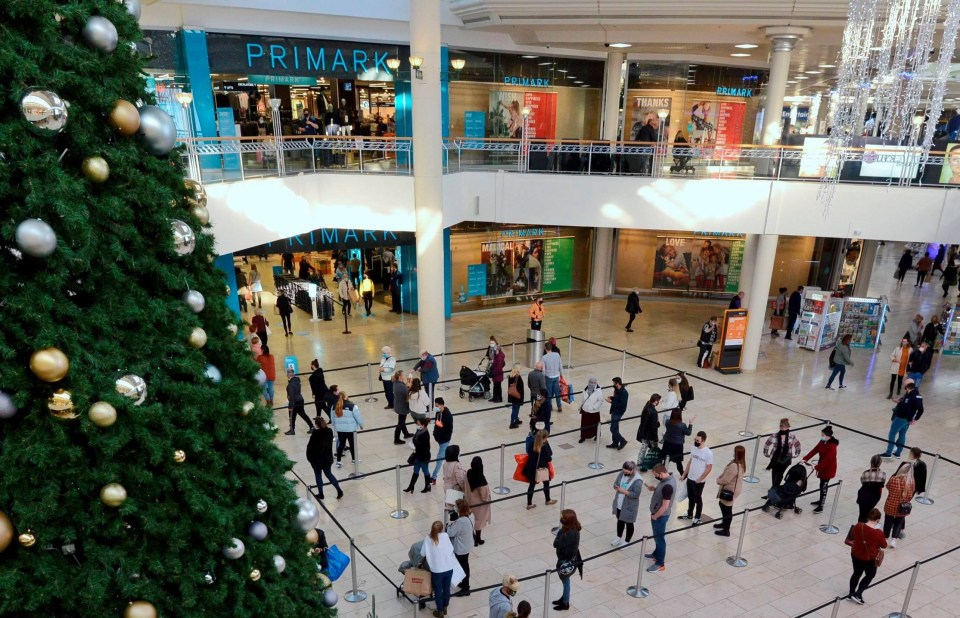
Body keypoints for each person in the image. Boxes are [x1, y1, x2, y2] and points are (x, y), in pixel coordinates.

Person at [422, 520, 464, 618]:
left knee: (438, 590)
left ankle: (440, 610)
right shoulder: (445, 536)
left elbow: (422, 553)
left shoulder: (428, 538)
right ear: (441, 529)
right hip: (449, 568)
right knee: (446, 588)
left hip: (437, 570)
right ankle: (445, 606)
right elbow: (451, 549)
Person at [848, 508, 888, 605]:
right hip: (869, 558)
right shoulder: (878, 533)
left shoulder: (858, 526)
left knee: (856, 573)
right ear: (878, 519)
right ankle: (858, 594)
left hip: (855, 554)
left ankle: (851, 593)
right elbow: (884, 545)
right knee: (870, 575)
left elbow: (853, 535)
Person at [645, 464, 676, 573]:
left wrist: (655, 516)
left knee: (659, 539)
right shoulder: (666, 480)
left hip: (660, 516)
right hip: (658, 514)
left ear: (661, 474)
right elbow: (663, 493)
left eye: (656, 475)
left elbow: (665, 506)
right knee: (657, 536)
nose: (655, 477)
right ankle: (656, 554)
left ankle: (660, 563)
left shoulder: (668, 486)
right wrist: (655, 489)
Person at [802, 425, 839, 513]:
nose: (821, 437)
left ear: (827, 436)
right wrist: (805, 458)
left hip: (828, 469)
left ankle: (821, 505)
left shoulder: (832, 447)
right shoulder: (822, 442)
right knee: (821, 485)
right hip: (822, 466)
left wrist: (816, 467)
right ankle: (820, 501)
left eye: (822, 435)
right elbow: (815, 450)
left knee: (824, 486)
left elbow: (827, 460)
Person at [881, 381, 924, 459]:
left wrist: (900, 406)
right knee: (902, 434)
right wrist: (914, 419)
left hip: (901, 418)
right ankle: (897, 453)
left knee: (892, 434)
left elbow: (906, 408)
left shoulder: (910, 396)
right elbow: (921, 409)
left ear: (908, 387)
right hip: (908, 419)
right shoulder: (918, 396)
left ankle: (888, 452)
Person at [679, 430, 713, 525]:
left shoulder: (708, 453)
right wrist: (684, 475)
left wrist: (700, 479)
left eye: (698, 440)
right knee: (690, 497)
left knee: (698, 499)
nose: (696, 442)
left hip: (699, 481)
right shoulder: (694, 448)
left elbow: (709, 468)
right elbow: (690, 462)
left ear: (703, 441)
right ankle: (689, 514)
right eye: (695, 439)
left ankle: (697, 517)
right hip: (690, 477)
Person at [305, 417, 343, 500]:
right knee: (329, 474)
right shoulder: (329, 431)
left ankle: (321, 494)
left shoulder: (315, 434)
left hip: (316, 460)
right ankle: (339, 490)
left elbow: (310, 447)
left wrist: (310, 458)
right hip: (327, 458)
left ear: (316, 425)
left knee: (318, 476)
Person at [552, 509, 581, 611]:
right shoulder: (569, 529)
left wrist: (560, 534)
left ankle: (565, 603)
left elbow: (555, 543)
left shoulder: (569, 533)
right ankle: (564, 597)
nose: (561, 519)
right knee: (565, 581)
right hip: (564, 559)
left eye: (564, 518)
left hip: (566, 562)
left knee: (566, 581)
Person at [714, 445, 745, 536]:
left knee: (726, 509)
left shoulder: (735, 466)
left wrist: (718, 480)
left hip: (729, 490)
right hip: (734, 490)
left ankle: (726, 529)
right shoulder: (740, 463)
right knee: (724, 506)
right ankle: (724, 523)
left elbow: (726, 479)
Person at [446, 499, 475, 597]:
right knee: (465, 565)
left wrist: (449, 525)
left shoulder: (460, 521)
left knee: (463, 567)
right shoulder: (471, 516)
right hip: (467, 545)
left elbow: (450, 533)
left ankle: (466, 588)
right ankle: (464, 583)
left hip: (461, 548)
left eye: (456, 506)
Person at [883, 462, 915, 549]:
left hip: (891, 504)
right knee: (899, 522)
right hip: (902, 507)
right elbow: (910, 495)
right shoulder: (911, 482)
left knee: (888, 522)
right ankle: (894, 540)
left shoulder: (893, 479)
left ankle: (885, 538)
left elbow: (888, 487)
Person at [610, 461, 642, 546]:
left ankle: (627, 542)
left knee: (629, 523)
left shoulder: (638, 480)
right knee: (620, 520)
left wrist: (623, 491)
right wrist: (616, 487)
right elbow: (615, 483)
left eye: (627, 472)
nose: (625, 473)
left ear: (632, 470)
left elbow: (636, 494)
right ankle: (618, 537)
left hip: (629, 505)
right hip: (619, 503)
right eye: (624, 471)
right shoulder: (622, 473)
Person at [763, 418, 802, 488]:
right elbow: (767, 444)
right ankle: (774, 488)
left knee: (780, 474)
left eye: (784, 427)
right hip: (775, 458)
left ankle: (774, 489)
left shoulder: (792, 436)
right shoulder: (774, 436)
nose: (783, 429)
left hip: (786, 459)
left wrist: (796, 454)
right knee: (774, 474)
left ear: (787, 427)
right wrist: (766, 454)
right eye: (781, 427)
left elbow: (798, 445)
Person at [524, 429, 556, 509]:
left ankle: (529, 504)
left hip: (531, 467)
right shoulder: (544, 446)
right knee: (546, 484)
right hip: (542, 468)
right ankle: (548, 500)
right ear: (544, 438)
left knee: (531, 485)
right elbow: (549, 458)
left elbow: (529, 453)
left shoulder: (532, 443)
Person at [331, 391, 363, 466]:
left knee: (341, 444)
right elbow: (358, 417)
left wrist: (335, 425)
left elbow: (332, 418)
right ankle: (354, 459)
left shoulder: (334, 406)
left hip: (340, 429)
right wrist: (361, 424)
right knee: (352, 444)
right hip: (351, 429)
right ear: (346, 396)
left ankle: (338, 461)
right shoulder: (352, 406)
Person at [465, 457, 492, 546]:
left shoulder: (468, 473)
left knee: (471, 520)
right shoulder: (481, 479)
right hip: (479, 505)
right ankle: (478, 538)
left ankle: (473, 537)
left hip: (469, 501)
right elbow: (484, 496)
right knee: (478, 521)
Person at [405, 416, 433, 494]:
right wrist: (415, 440)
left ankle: (427, 486)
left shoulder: (425, 434)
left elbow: (418, 443)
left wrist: (414, 441)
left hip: (424, 456)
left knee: (425, 471)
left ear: (423, 425)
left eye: (419, 424)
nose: (418, 426)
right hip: (418, 455)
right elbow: (415, 440)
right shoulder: (419, 431)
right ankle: (411, 486)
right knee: (415, 470)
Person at [661, 409, 693, 474]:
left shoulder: (667, 421)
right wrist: (690, 424)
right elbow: (688, 433)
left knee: (666, 460)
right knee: (678, 461)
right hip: (677, 445)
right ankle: (682, 473)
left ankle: (662, 473)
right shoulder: (682, 425)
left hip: (667, 443)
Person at [857, 455, 887, 523]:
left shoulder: (865, 473)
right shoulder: (883, 474)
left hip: (863, 496)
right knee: (868, 513)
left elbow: (862, 482)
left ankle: (859, 527)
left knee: (862, 514)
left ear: (871, 462)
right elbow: (882, 485)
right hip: (874, 497)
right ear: (880, 463)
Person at [431, 398, 454, 483]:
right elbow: (437, 424)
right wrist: (434, 433)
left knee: (439, 459)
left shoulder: (447, 416)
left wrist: (442, 434)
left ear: (441, 405)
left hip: (444, 440)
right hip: (439, 439)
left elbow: (448, 429)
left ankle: (434, 477)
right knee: (444, 456)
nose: (436, 407)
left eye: (437, 406)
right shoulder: (438, 413)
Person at [636, 394, 661, 471]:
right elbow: (653, 426)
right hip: (650, 434)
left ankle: (640, 464)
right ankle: (652, 464)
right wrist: (658, 425)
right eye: (658, 401)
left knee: (643, 448)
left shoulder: (646, 407)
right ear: (656, 401)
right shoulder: (653, 412)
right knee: (654, 449)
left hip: (644, 432)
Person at [285, 369, 313, 435]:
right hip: (300, 400)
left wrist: (290, 406)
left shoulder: (291, 384)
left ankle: (292, 430)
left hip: (295, 402)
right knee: (301, 415)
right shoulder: (297, 381)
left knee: (292, 416)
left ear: (289, 375)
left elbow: (291, 396)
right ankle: (311, 427)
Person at [605, 377, 628, 450]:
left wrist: (611, 402)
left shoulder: (624, 393)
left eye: (614, 383)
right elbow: (617, 399)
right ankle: (615, 443)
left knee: (612, 428)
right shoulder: (617, 390)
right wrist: (612, 398)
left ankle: (622, 441)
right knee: (615, 427)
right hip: (615, 410)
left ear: (617, 383)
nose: (613, 384)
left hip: (618, 412)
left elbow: (622, 405)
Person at [578, 377, 603, 443]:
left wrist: (594, 407)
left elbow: (600, 401)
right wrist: (581, 406)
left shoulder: (598, 391)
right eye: (591, 382)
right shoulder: (585, 389)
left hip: (594, 411)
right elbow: (583, 399)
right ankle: (583, 436)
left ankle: (597, 435)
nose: (592, 384)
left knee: (595, 424)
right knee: (584, 424)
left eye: (594, 383)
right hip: (585, 410)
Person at [392, 369, 412, 444]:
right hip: (402, 407)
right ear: (400, 376)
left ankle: (406, 433)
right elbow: (407, 394)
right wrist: (410, 385)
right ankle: (396, 439)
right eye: (403, 375)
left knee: (402, 421)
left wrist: (407, 384)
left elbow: (404, 388)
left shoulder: (396, 383)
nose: (404, 376)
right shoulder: (400, 386)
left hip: (398, 405)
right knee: (401, 422)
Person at [542, 343, 563, 412]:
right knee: (557, 392)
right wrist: (561, 374)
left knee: (549, 393)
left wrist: (543, 377)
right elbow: (560, 365)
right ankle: (559, 406)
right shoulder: (557, 354)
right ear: (551, 348)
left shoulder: (544, 357)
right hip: (556, 376)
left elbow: (544, 369)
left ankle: (549, 406)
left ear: (545, 349)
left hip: (549, 377)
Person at [506, 364, 525, 429]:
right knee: (515, 409)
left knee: (515, 408)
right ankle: (512, 423)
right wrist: (522, 398)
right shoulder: (518, 377)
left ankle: (516, 419)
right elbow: (520, 388)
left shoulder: (510, 376)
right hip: (517, 396)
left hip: (512, 395)